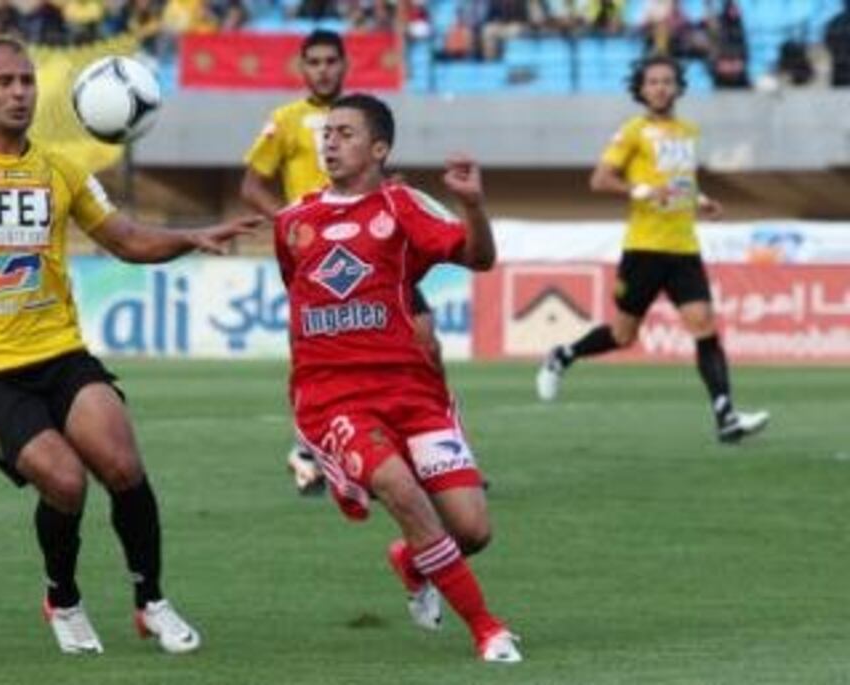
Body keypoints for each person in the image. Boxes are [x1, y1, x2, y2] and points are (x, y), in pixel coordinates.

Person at [0, 37, 258, 656]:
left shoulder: (60, 170)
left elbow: (127, 239)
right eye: (3, 82)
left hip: (59, 352)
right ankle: (62, 597)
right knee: (64, 482)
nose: (19, 93)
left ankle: (152, 602)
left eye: (27, 82)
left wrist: (195, 235)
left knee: (122, 466)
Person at [273, 92, 521, 663]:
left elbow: (478, 259)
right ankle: (488, 628)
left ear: (379, 148)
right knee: (404, 493)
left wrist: (474, 207)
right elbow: (301, 301)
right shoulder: (293, 223)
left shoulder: (403, 206)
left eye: (346, 133)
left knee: (473, 529)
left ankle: (411, 562)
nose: (329, 141)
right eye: (327, 132)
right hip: (336, 399)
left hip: (415, 393)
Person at [241, 30, 443, 494]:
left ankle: (431, 449)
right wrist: (293, 229)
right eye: (313, 62)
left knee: (426, 339)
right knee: (318, 354)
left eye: (331, 60)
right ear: (302, 68)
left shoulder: (363, 115)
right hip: (320, 261)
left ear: (345, 64)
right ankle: (307, 448)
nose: (323, 69)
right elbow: (251, 186)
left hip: (376, 253)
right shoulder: (285, 121)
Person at [535, 55, 768, 443]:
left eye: (666, 81)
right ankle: (563, 355)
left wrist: (702, 201)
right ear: (641, 90)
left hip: (684, 247)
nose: (660, 87)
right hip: (644, 247)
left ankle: (726, 416)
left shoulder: (688, 131)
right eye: (652, 82)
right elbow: (600, 179)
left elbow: (681, 183)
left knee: (704, 326)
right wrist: (642, 190)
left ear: (677, 87)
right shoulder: (632, 131)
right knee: (623, 335)